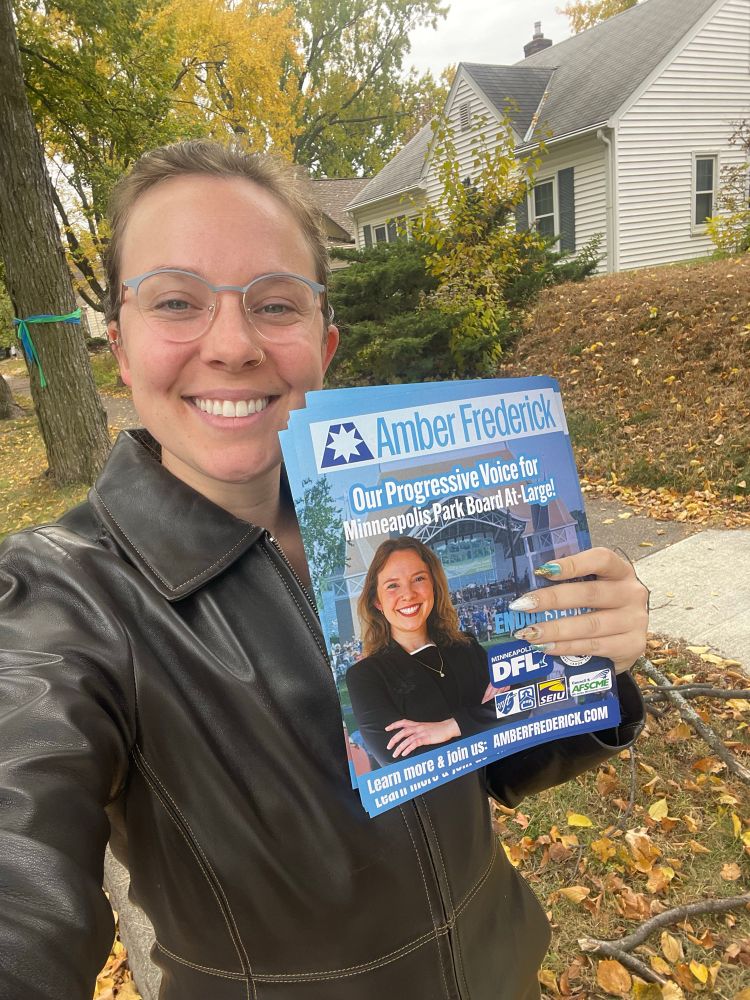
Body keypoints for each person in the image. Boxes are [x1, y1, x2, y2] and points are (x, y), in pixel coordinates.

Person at [0, 139, 648, 1000]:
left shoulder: (392, 534)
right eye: (177, 301)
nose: (231, 345)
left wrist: (590, 661)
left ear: (324, 341)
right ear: (119, 348)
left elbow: (499, 761)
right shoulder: (63, 599)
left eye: (274, 304)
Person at [347, 538, 500, 766]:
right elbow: (403, 761)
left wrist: (450, 728)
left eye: (418, 579)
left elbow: (519, 707)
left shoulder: (467, 647)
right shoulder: (365, 677)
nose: (408, 594)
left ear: (434, 587)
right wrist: (483, 718)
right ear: (377, 601)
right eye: (392, 585)